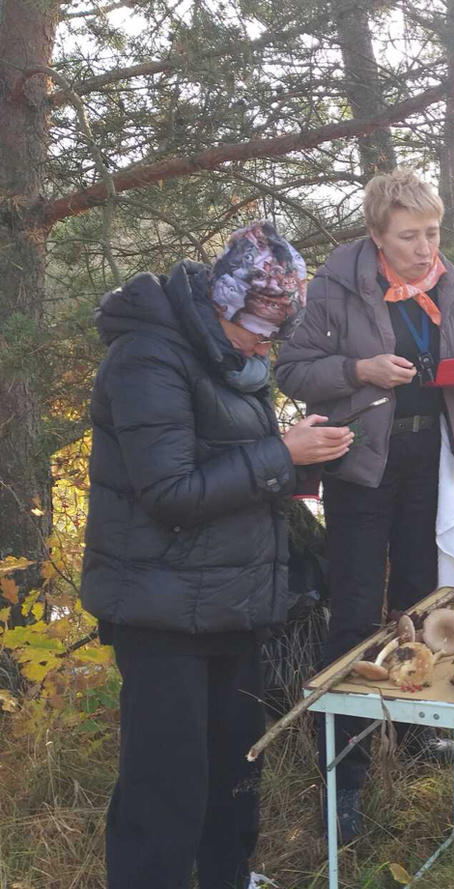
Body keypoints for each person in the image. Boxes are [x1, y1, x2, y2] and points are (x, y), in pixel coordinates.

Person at [82, 222, 351, 889]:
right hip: (161, 611)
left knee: (236, 774)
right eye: (258, 329)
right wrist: (279, 455)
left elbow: (231, 462)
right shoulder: (148, 356)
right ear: (220, 306)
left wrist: (299, 466)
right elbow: (169, 491)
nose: (266, 345)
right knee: (165, 791)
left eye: (274, 333)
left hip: (231, 603)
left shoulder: (235, 357)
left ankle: (230, 878)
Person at [275, 168, 454, 841]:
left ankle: (411, 737)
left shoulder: (448, 283)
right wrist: (359, 370)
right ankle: (342, 775)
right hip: (358, 466)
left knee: (418, 603)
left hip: (425, 461)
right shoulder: (337, 283)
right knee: (352, 615)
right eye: (409, 236)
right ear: (377, 235)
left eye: (432, 232)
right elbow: (292, 367)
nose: (424, 248)